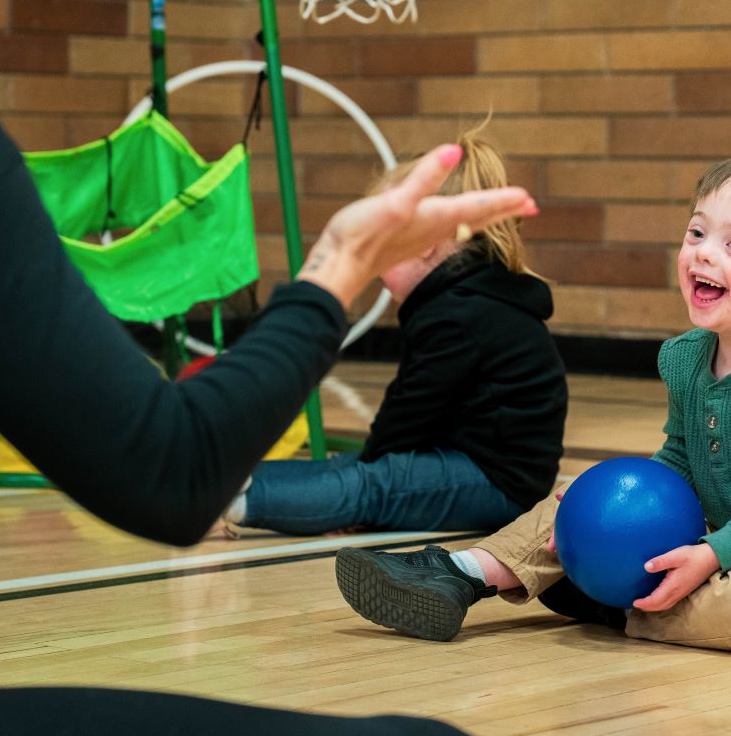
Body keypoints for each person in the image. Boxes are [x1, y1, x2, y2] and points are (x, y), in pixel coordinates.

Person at [0, 0, 535, 732]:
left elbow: (413, 424)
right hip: (429, 466)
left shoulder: (469, 311)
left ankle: (271, 501)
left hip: (482, 480)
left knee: (369, 479)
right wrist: (338, 267)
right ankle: (258, 497)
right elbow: (170, 469)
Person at [335, 153, 731, 652]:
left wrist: (713, 555)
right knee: (580, 497)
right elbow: (680, 459)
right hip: (716, 537)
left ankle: (609, 600)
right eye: (696, 233)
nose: (703, 255)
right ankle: (457, 572)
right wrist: (601, 514)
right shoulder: (686, 357)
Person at [222, 127, 567, 539]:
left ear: (424, 244)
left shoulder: (459, 312)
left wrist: (362, 492)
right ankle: (225, 482)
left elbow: (411, 409)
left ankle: (241, 501)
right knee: (355, 467)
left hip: (496, 485)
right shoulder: (459, 299)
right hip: (463, 461)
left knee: (375, 481)